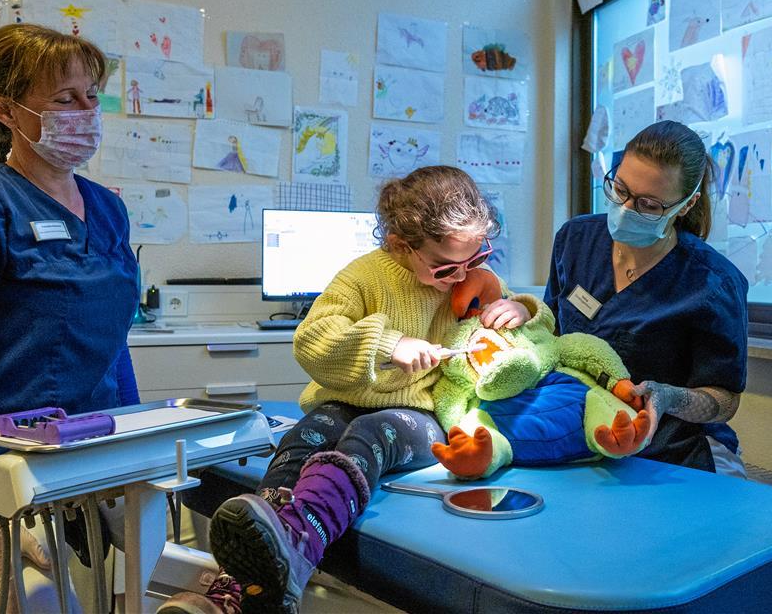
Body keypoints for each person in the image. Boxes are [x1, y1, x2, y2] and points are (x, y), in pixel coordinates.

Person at [160, 166, 540, 614]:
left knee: (370, 435)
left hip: (424, 415)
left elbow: (543, 332)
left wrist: (520, 306)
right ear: (401, 244)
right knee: (303, 437)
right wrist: (387, 343)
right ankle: (243, 589)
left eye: (475, 259)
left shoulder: (476, 278)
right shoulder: (362, 277)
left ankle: (295, 549)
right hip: (345, 401)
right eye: (446, 268)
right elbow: (312, 339)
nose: (462, 279)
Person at [0, 24, 141, 611]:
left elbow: (113, 343)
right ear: (5, 110)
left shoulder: (108, 208)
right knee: (31, 599)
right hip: (2, 460)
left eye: (92, 96)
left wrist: (136, 438)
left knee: (127, 586)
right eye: (66, 99)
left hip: (96, 450)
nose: (86, 112)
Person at [545, 120, 749, 476]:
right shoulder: (576, 240)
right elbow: (548, 331)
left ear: (685, 206)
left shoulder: (713, 284)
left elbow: (724, 400)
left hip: (675, 452)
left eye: (649, 204)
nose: (625, 208)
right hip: (579, 438)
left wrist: (670, 398)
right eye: (620, 189)